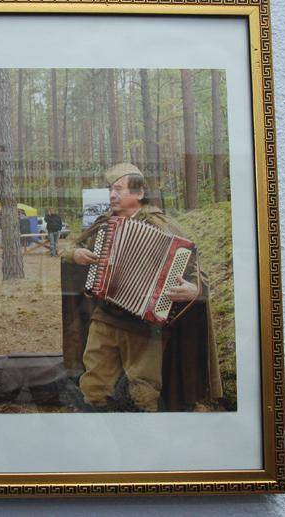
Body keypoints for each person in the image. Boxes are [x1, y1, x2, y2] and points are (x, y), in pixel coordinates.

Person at [61, 163, 222, 412]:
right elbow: (68, 248)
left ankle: (145, 430)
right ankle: (97, 428)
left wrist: (194, 289)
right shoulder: (104, 225)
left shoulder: (162, 225)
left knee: (144, 390)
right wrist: (75, 254)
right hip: (105, 317)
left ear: (139, 193)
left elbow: (196, 270)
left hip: (145, 326)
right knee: (93, 385)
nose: (112, 195)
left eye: (118, 189)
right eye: (110, 190)